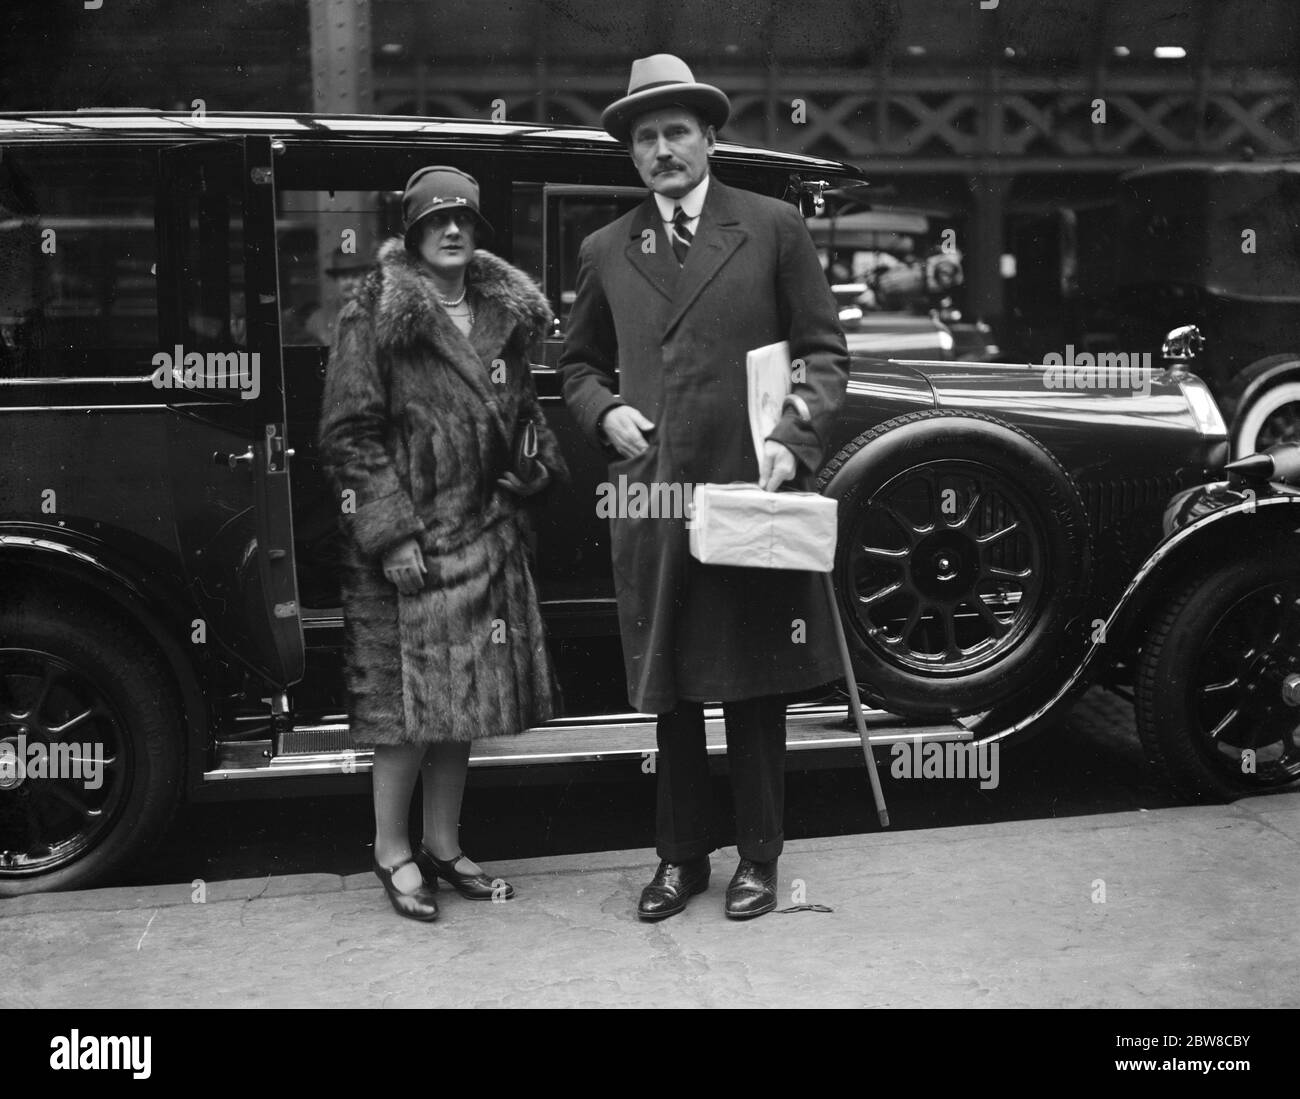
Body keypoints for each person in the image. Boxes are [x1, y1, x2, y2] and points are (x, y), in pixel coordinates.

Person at [559, 55, 850, 921]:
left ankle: (758, 857)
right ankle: (681, 858)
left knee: (756, 680)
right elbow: (575, 363)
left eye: (676, 131)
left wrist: (795, 440)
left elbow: (825, 354)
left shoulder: (772, 227)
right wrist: (604, 410)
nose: (661, 150)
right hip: (655, 499)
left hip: (747, 488)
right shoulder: (606, 248)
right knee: (673, 687)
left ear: (710, 137)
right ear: (633, 156)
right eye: (645, 138)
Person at [319, 166, 566, 921]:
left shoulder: (500, 313)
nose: (452, 230)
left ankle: (444, 844)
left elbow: (526, 413)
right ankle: (391, 852)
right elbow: (348, 437)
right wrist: (389, 533)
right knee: (406, 720)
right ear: (414, 232)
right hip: (413, 551)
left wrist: (535, 466)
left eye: (464, 220)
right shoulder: (373, 312)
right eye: (436, 221)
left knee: (465, 711)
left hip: (485, 537)